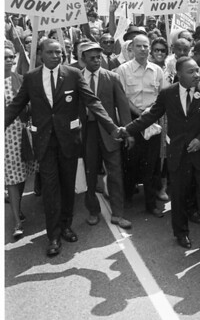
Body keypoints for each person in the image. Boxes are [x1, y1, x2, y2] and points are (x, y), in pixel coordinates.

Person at [5, 39, 119, 257]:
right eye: (51, 52)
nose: (56, 56)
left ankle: (66, 225)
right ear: (40, 54)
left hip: (69, 141)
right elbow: (16, 105)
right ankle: (53, 236)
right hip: (44, 142)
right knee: (50, 188)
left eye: (59, 52)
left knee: (68, 186)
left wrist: (112, 127)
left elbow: (92, 102)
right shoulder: (31, 78)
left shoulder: (73, 75)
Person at [121, 57, 200, 253]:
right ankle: (181, 233)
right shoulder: (168, 93)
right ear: (179, 74)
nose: (196, 74)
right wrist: (127, 130)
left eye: (197, 71)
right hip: (178, 154)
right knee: (178, 196)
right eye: (191, 72)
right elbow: (151, 115)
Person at [78, 42, 133, 229]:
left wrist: (128, 131)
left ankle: (118, 214)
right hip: (87, 132)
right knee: (90, 174)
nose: (96, 61)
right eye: (91, 58)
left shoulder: (112, 77)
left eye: (98, 57)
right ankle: (93, 211)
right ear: (83, 58)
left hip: (111, 133)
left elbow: (123, 107)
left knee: (115, 173)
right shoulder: (75, 78)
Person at [116, 34, 166, 217]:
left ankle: (151, 204)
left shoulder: (157, 70)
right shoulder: (123, 70)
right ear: (131, 49)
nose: (143, 50)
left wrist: (151, 114)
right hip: (132, 120)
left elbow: (162, 96)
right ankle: (127, 197)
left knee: (152, 165)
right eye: (139, 46)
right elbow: (122, 98)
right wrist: (140, 114)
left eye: (146, 46)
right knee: (131, 162)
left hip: (153, 121)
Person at [4, 42, 35, 239]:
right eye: (5, 57)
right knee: (12, 179)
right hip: (6, 137)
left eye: (11, 57)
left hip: (23, 134)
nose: (9, 60)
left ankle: (19, 207)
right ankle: (16, 221)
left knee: (22, 175)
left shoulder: (21, 79)